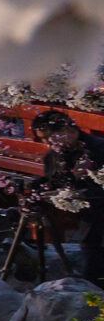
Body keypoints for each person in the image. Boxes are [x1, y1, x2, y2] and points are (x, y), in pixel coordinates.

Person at [32, 109, 104, 281]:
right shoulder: (53, 154)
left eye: (51, 137)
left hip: (98, 205)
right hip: (86, 213)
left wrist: (81, 193)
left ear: (68, 130)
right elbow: (53, 180)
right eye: (44, 139)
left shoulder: (99, 148)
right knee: (90, 249)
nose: (48, 142)